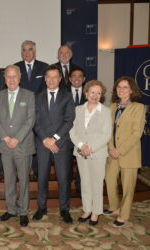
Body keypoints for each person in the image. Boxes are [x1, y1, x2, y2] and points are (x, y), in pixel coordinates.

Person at [0, 65, 35, 227]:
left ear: (20, 78)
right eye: (8, 77)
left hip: (22, 145)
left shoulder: (29, 96)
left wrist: (16, 138)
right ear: (4, 79)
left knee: (23, 180)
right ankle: (11, 209)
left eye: (14, 76)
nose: (11, 80)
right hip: (5, 146)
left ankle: (23, 211)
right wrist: (5, 137)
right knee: (9, 180)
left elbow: (30, 120)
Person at [33, 64, 75, 224]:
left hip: (61, 143)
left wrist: (55, 138)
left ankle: (64, 209)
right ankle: (41, 207)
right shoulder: (38, 97)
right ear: (45, 79)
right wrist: (45, 139)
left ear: (60, 79)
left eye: (54, 77)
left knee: (63, 178)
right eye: (48, 77)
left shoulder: (67, 96)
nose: (51, 80)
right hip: (42, 144)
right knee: (41, 177)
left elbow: (69, 120)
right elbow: (35, 121)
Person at [104, 76, 145, 227]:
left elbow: (137, 133)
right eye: (119, 87)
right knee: (109, 180)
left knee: (128, 186)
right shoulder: (112, 107)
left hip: (128, 153)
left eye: (125, 87)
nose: (121, 90)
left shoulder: (138, 107)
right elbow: (108, 130)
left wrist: (119, 150)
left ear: (132, 90)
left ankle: (124, 214)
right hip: (112, 152)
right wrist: (110, 148)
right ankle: (114, 207)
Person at [69, 80, 112, 226]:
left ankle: (96, 211)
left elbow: (106, 134)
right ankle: (87, 209)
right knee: (85, 183)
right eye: (92, 92)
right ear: (86, 93)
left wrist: (90, 148)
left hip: (97, 153)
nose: (95, 95)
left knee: (97, 183)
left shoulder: (106, 111)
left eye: (99, 93)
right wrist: (81, 146)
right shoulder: (78, 109)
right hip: (81, 152)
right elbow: (72, 131)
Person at [14, 40, 48, 177]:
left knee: (36, 140)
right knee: (22, 139)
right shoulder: (15, 67)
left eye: (29, 49)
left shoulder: (44, 67)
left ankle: (36, 170)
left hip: (38, 110)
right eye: (24, 50)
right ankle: (22, 171)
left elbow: (47, 89)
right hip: (20, 112)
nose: (26, 52)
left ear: (35, 51)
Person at [69, 67, 87, 196]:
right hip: (66, 134)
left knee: (82, 165)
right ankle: (67, 188)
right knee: (67, 164)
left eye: (79, 76)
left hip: (84, 135)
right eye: (74, 76)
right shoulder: (63, 93)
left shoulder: (89, 93)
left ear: (84, 79)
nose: (77, 78)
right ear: (69, 79)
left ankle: (81, 187)